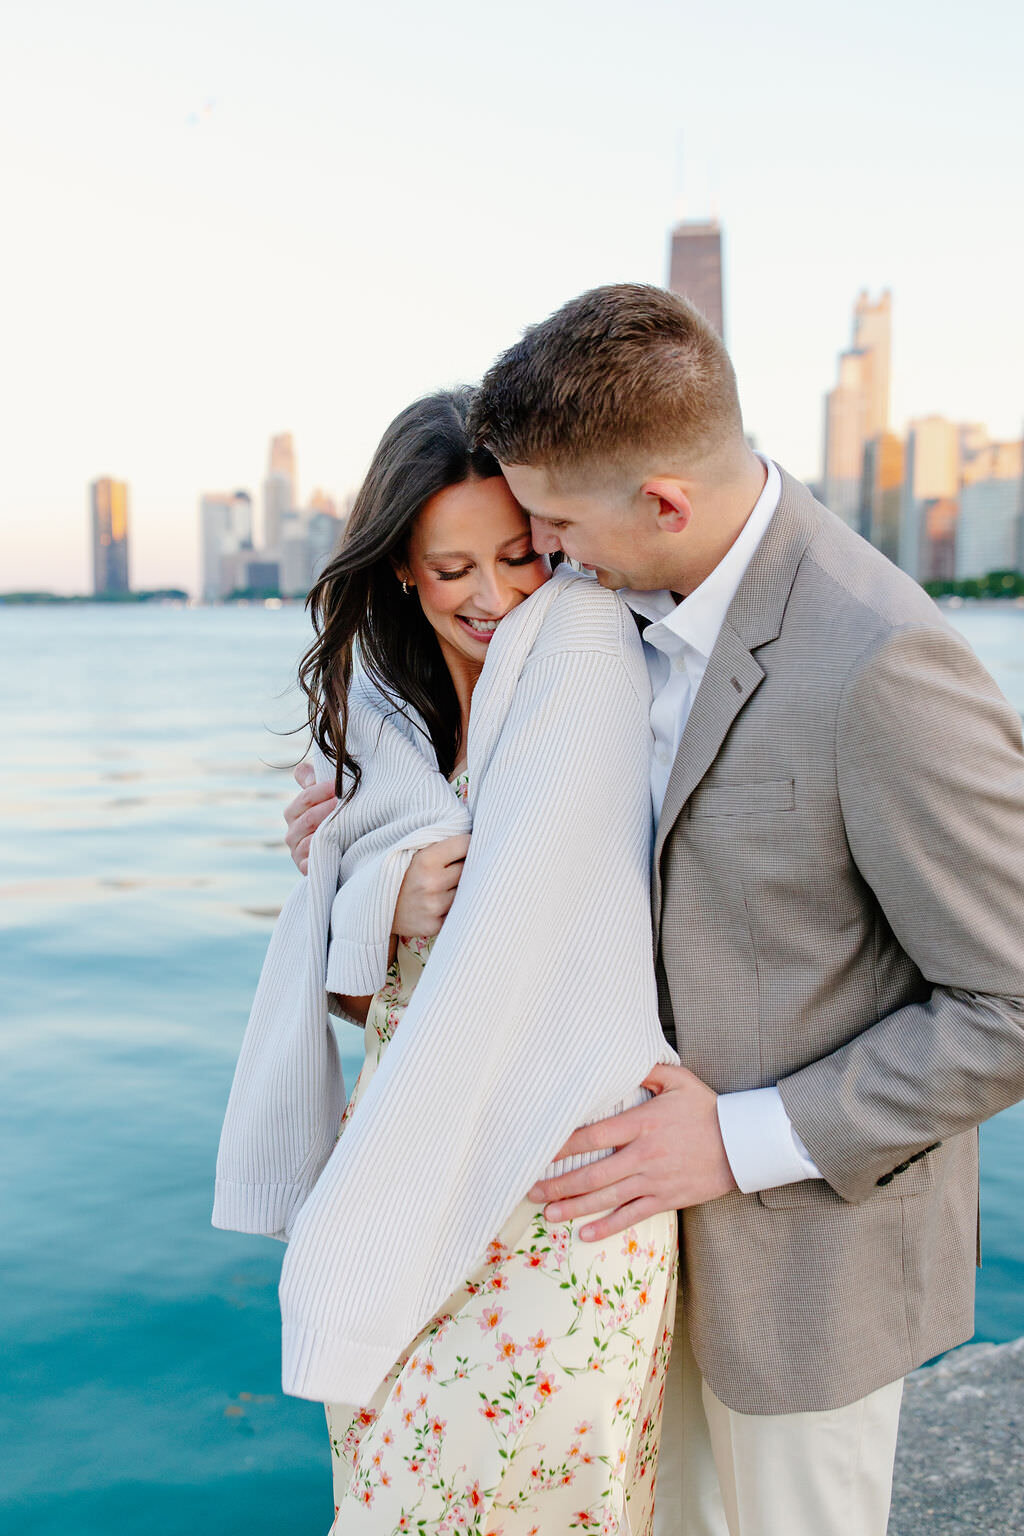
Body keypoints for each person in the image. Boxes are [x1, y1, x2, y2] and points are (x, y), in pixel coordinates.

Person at [287, 286, 1024, 1536]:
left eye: (555, 527)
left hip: (794, 1262)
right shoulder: (607, 617)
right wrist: (350, 867)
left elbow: (1007, 1002)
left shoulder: (878, 659)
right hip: (612, 1261)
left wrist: (737, 1141)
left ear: (662, 503)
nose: (548, 561)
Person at [214, 388, 679, 1534]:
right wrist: (364, 891)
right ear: (403, 574)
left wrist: (378, 897)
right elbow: (362, 977)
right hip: (406, 1154)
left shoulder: (582, 656)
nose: (492, 596)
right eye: (451, 566)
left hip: (556, 1191)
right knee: (390, 1492)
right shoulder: (394, 722)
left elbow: (533, 938)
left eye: (518, 556)